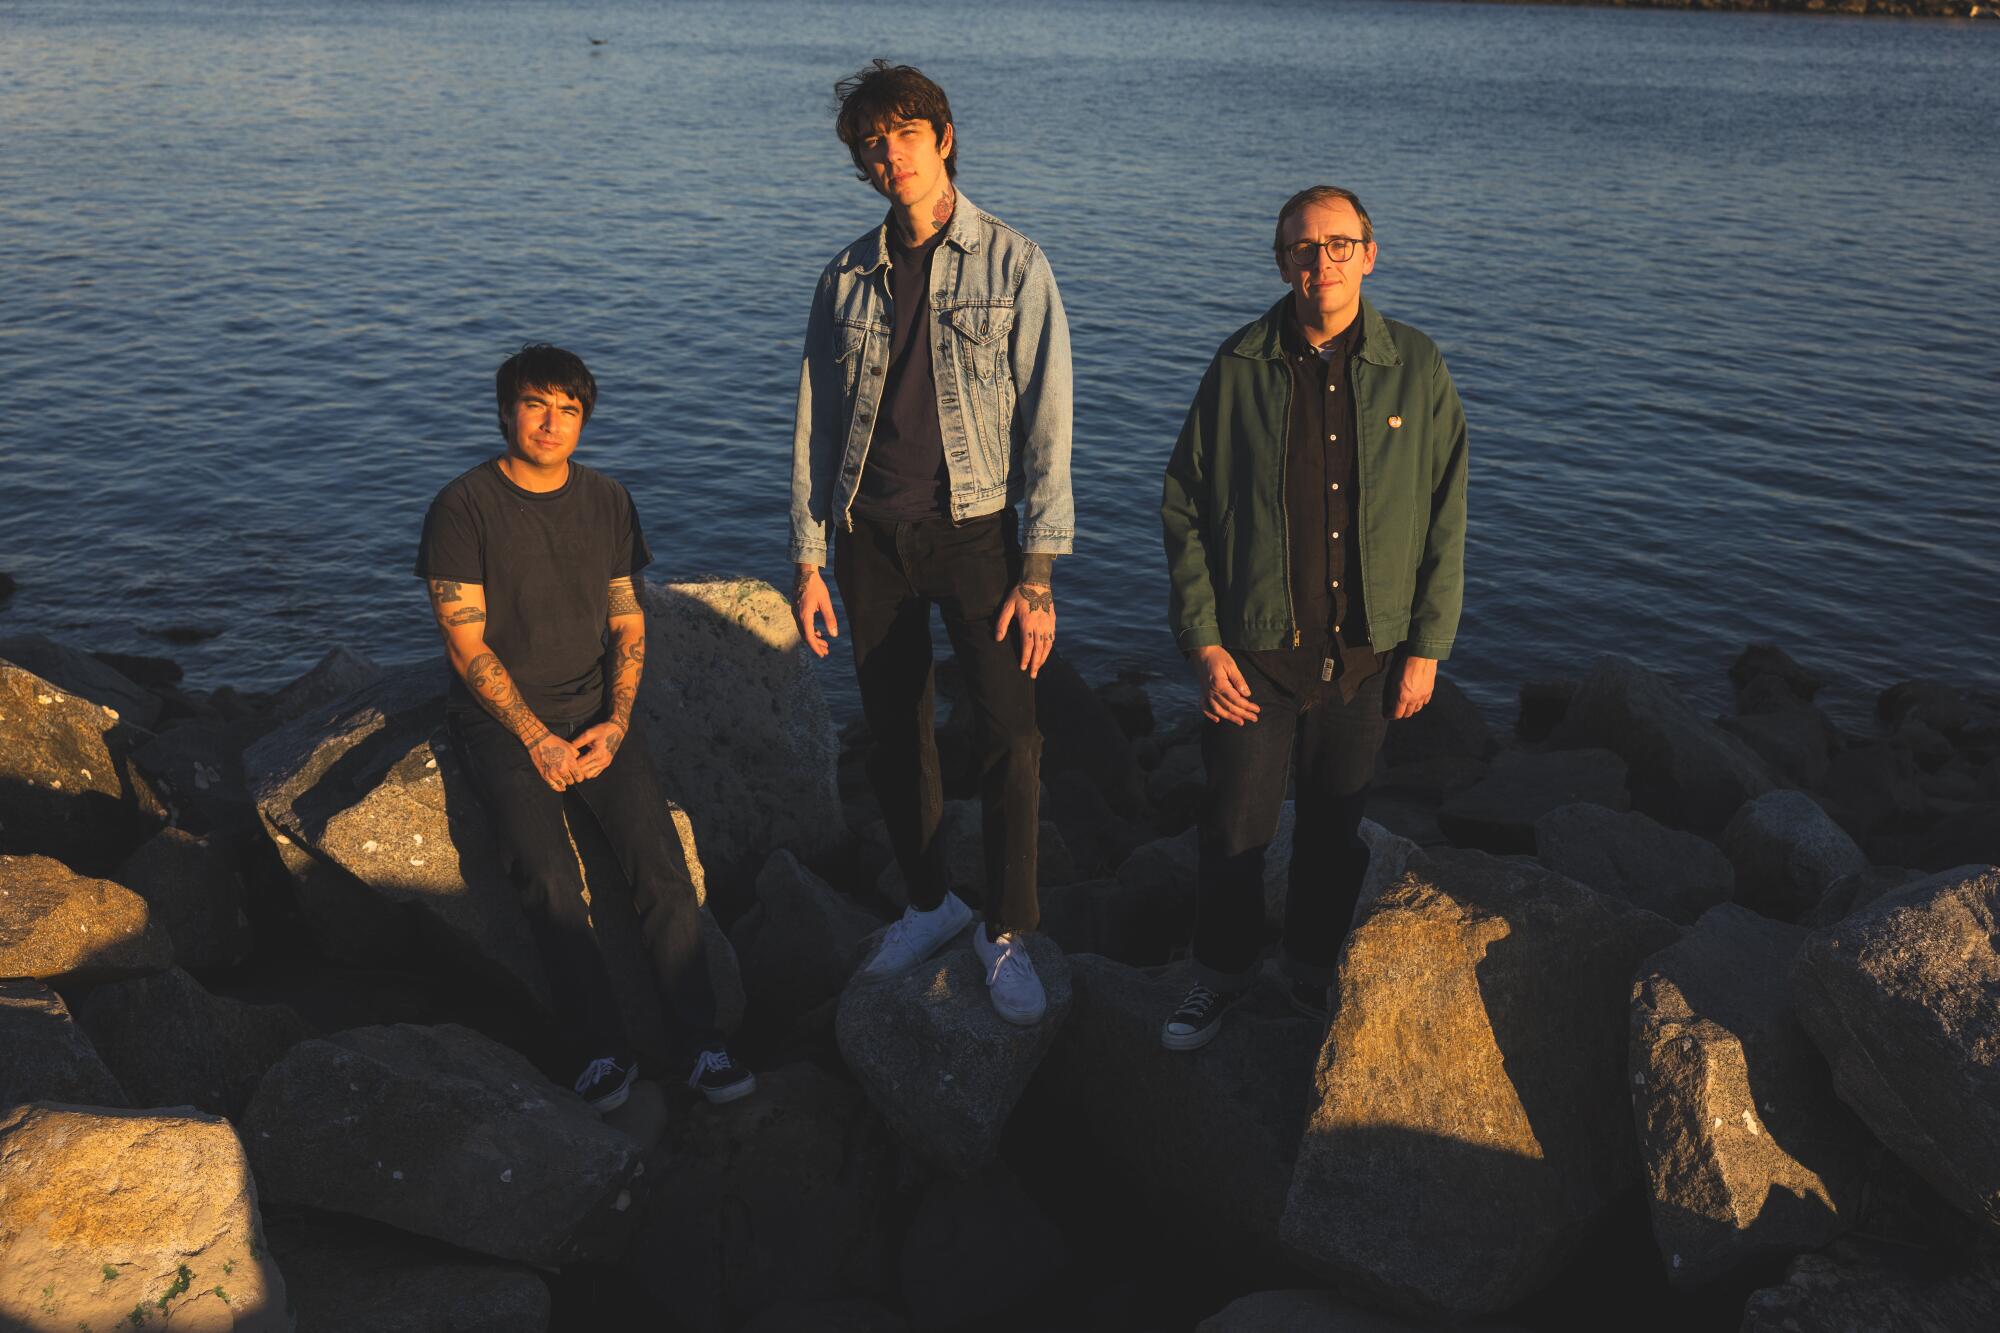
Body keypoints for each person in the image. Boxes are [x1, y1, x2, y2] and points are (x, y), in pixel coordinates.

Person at [788, 60, 1073, 1024]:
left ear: (942, 138)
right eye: (872, 143)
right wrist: (809, 557)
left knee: (1012, 734)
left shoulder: (1015, 264)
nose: (888, 155)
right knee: (896, 731)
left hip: (978, 535)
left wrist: (1038, 571)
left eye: (904, 134)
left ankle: (1006, 928)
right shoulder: (846, 275)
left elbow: (1047, 423)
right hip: (869, 537)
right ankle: (928, 900)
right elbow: (816, 424)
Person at [1157, 186, 1469, 1050]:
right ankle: (1217, 978)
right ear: (1281, 261)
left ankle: (1308, 974)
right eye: (1303, 246)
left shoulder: (1418, 366)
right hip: (1255, 651)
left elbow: (1447, 512)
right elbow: (1183, 503)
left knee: (1335, 832)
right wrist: (1204, 638)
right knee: (1233, 825)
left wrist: (1427, 649)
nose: (1320, 261)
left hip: (1368, 651)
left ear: (1370, 254)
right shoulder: (1239, 366)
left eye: (1338, 244)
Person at [416, 343, 754, 1106]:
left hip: (598, 711)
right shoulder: (462, 507)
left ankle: (701, 1043)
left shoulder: (607, 500)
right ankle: (599, 1051)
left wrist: (616, 722)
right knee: (547, 880)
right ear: (507, 411)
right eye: (536, 404)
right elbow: (463, 641)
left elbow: (629, 623)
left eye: (569, 409)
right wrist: (534, 736)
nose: (551, 422)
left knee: (660, 867)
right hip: (502, 724)